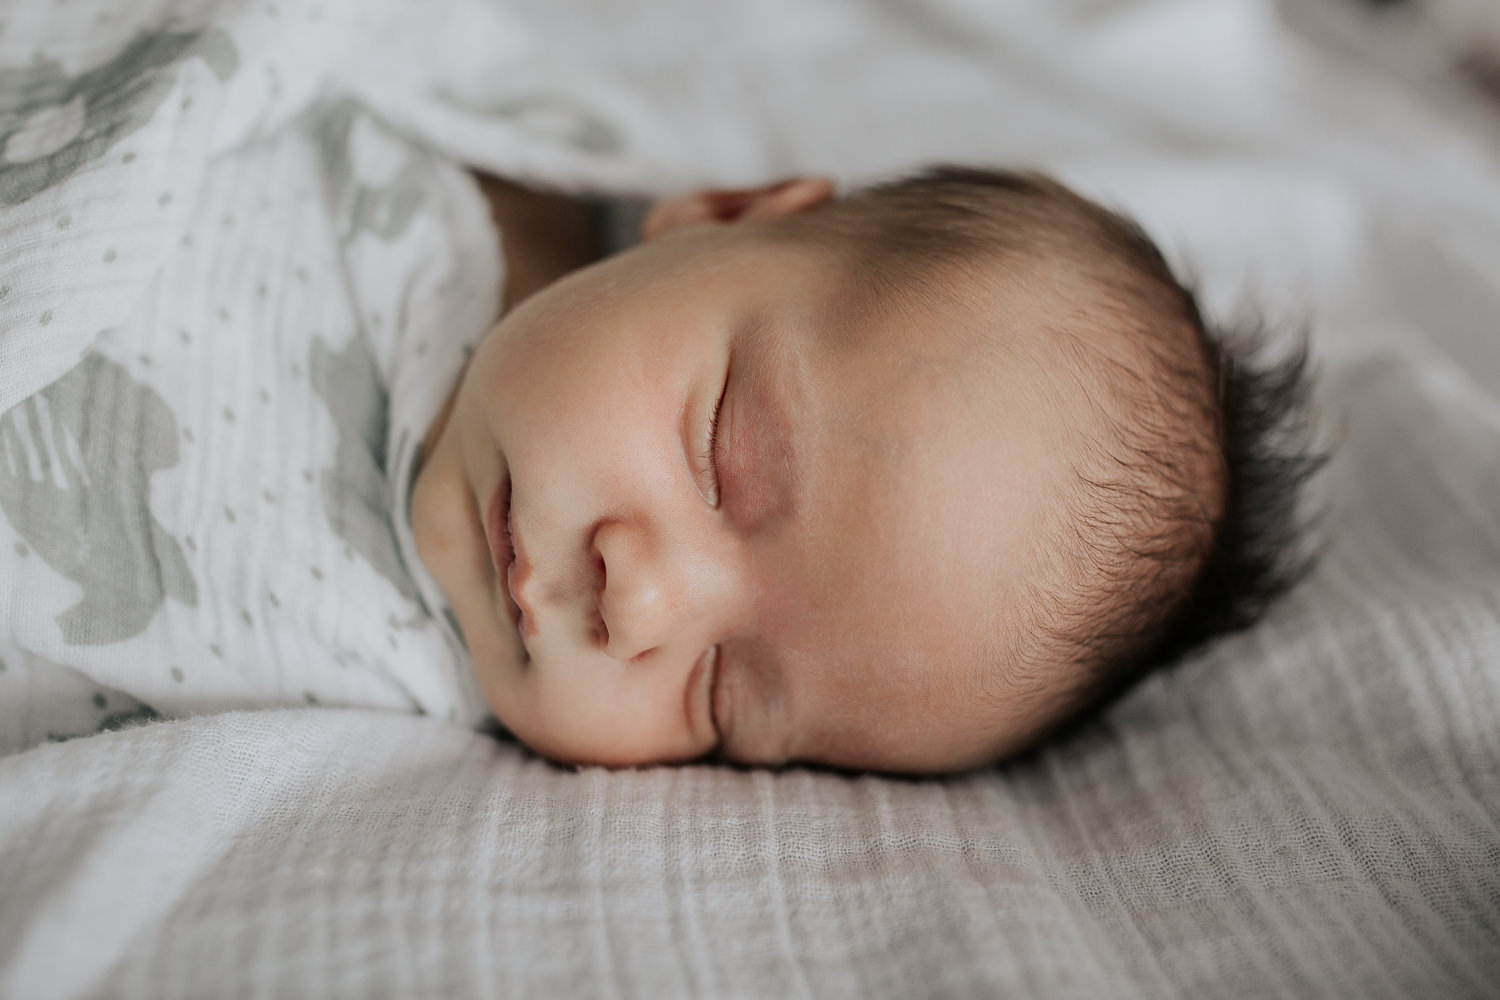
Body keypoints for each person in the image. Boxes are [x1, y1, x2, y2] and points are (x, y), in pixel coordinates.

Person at [409, 166, 1321, 773]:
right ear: (727, 213)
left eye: (724, 694)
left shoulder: (374, 681)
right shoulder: (448, 168)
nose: (640, 606)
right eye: (718, 454)